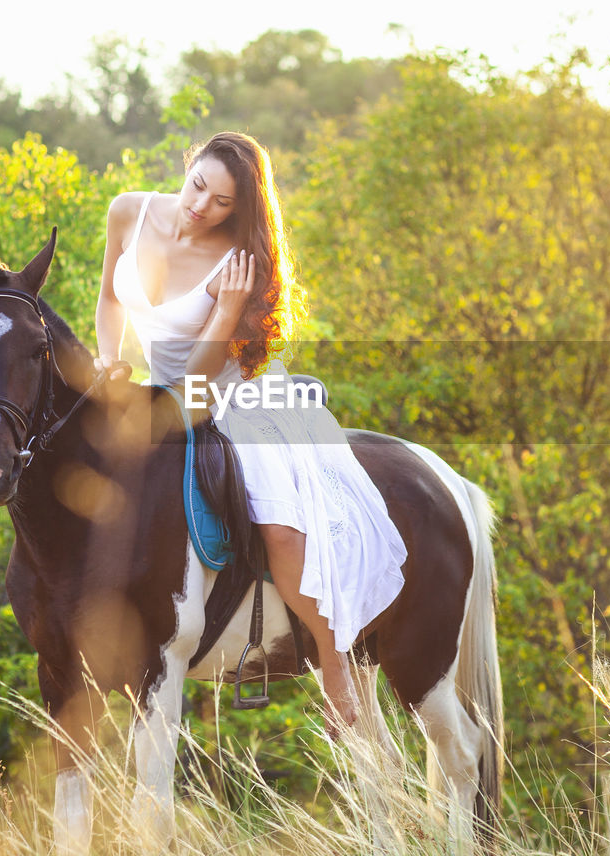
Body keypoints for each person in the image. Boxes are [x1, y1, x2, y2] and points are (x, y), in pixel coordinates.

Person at [94, 132, 407, 731]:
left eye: (221, 202)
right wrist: (110, 358)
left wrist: (232, 309)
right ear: (188, 169)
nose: (201, 206)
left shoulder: (234, 264)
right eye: (198, 186)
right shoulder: (128, 211)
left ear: (240, 209)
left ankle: (332, 650)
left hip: (234, 394)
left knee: (280, 529)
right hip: (160, 387)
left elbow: (201, 379)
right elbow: (110, 296)